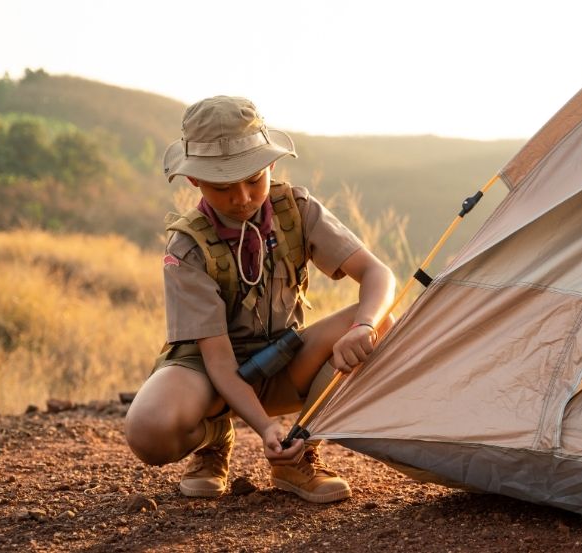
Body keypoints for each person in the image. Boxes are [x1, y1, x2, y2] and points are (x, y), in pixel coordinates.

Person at [124, 96, 396, 503]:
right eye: (223, 186)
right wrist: (263, 427)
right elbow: (218, 361)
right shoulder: (187, 247)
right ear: (194, 181)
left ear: (272, 165)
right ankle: (213, 437)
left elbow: (378, 274)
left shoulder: (298, 210)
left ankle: (297, 453)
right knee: (148, 431)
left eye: (254, 179)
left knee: (383, 323)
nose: (243, 197)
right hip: (209, 375)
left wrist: (364, 326)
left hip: (283, 357)